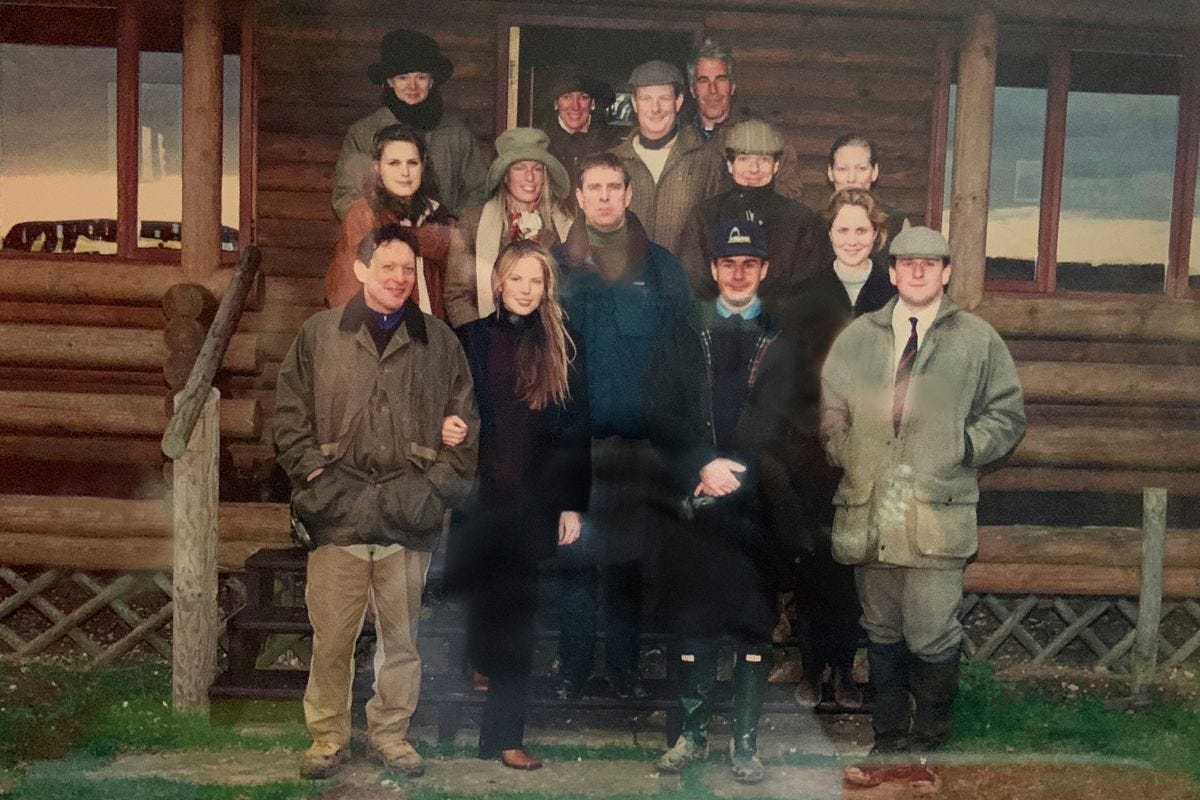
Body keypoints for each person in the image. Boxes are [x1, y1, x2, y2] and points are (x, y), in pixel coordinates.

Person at [275, 223, 478, 780]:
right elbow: (289, 415)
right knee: (332, 638)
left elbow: (465, 426)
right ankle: (327, 737)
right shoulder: (319, 335)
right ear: (362, 268)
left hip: (407, 514)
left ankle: (391, 735)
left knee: (401, 641)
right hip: (337, 512)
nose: (399, 278)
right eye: (388, 266)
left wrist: (433, 490)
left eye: (408, 269)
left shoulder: (439, 342)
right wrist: (313, 476)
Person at [821, 227, 1025, 765]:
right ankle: (888, 740)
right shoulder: (859, 336)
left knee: (932, 633)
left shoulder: (977, 339)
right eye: (907, 262)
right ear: (891, 272)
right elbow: (832, 405)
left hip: (936, 511)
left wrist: (964, 445)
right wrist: (845, 448)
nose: (917, 271)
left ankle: (930, 743)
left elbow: (1007, 415)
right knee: (881, 629)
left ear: (946, 273)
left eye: (929, 264)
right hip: (871, 511)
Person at [645, 218, 806, 785]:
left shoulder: (784, 337)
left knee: (753, 623)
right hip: (698, 500)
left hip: (759, 505)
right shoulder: (682, 331)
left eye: (749, 264)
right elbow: (658, 411)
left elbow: (795, 420)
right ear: (713, 270)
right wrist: (700, 465)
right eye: (728, 264)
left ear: (764, 270)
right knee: (696, 618)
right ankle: (691, 737)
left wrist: (747, 471)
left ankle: (745, 745)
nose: (739, 274)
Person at [552, 151, 693, 700]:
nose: (605, 197)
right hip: (574, 442)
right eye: (595, 187)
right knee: (574, 559)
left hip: (638, 446)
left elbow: (682, 357)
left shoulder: (661, 269)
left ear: (630, 195)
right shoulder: (555, 267)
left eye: (614, 186)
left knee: (627, 565)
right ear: (579, 197)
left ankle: (624, 670)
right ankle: (572, 670)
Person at [446, 240, 591, 771]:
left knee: (518, 622)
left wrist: (571, 504)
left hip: (532, 503)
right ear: (498, 283)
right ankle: (476, 706)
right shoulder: (469, 340)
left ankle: (506, 736)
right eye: (517, 279)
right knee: (480, 612)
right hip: (479, 500)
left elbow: (575, 431)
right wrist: (447, 427)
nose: (526, 290)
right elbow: (447, 404)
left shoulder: (563, 345)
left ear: (547, 287)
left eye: (536, 280)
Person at [770, 187, 897, 710]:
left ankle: (844, 670)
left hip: (871, 447)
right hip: (812, 449)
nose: (851, 239)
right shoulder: (802, 297)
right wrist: (808, 433)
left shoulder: (892, 294)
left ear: (877, 235)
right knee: (813, 560)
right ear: (829, 235)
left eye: (861, 230)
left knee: (853, 563)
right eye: (842, 229)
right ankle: (811, 667)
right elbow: (787, 377)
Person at [331, 29, 487, 220]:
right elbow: (346, 196)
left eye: (421, 77)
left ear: (431, 81)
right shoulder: (363, 133)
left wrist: (455, 227)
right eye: (403, 77)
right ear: (390, 81)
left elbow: (478, 191)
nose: (412, 86)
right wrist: (385, 226)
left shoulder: (457, 134)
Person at [678, 119, 828, 310]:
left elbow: (809, 283)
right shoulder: (705, 216)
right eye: (744, 159)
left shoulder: (800, 220)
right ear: (730, 165)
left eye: (763, 160)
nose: (754, 169)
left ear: (776, 166)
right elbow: (694, 278)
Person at [444, 128, 573, 327]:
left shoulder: (564, 226)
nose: (529, 178)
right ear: (505, 176)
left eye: (537, 169)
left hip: (548, 335)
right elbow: (457, 296)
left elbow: (572, 294)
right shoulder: (472, 222)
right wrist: (480, 337)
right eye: (519, 168)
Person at [324, 124, 456, 316]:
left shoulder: (437, 216)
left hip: (431, 329)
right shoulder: (364, 215)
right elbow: (345, 291)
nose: (405, 172)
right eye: (394, 163)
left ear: (423, 166)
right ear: (377, 168)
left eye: (412, 163)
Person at [611, 60, 723, 257]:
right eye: (646, 98)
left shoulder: (707, 162)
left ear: (678, 102)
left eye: (664, 98)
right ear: (635, 104)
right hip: (626, 276)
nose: (655, 108)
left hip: (683, 276)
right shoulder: (613, 162)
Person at [686, 38, 804, 202]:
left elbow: (791, 197)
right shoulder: (678, 137)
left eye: (721, 79)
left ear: (733, 86)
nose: (713, 90)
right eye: (703, 81)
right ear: (692, 90)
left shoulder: (765, 138)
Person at [826, 134, 909, 247]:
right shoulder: (815, 224)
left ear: (874, 172)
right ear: (830, 172)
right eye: (842, 169)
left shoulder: (895, 223)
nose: (851, 179)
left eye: (861, 169)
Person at [540, 65, 618, 187]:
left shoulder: (612, 143)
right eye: (566, 97)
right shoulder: (541, 143)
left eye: (583, 97)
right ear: (556, 103)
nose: (575, 106)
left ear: (592, 103)